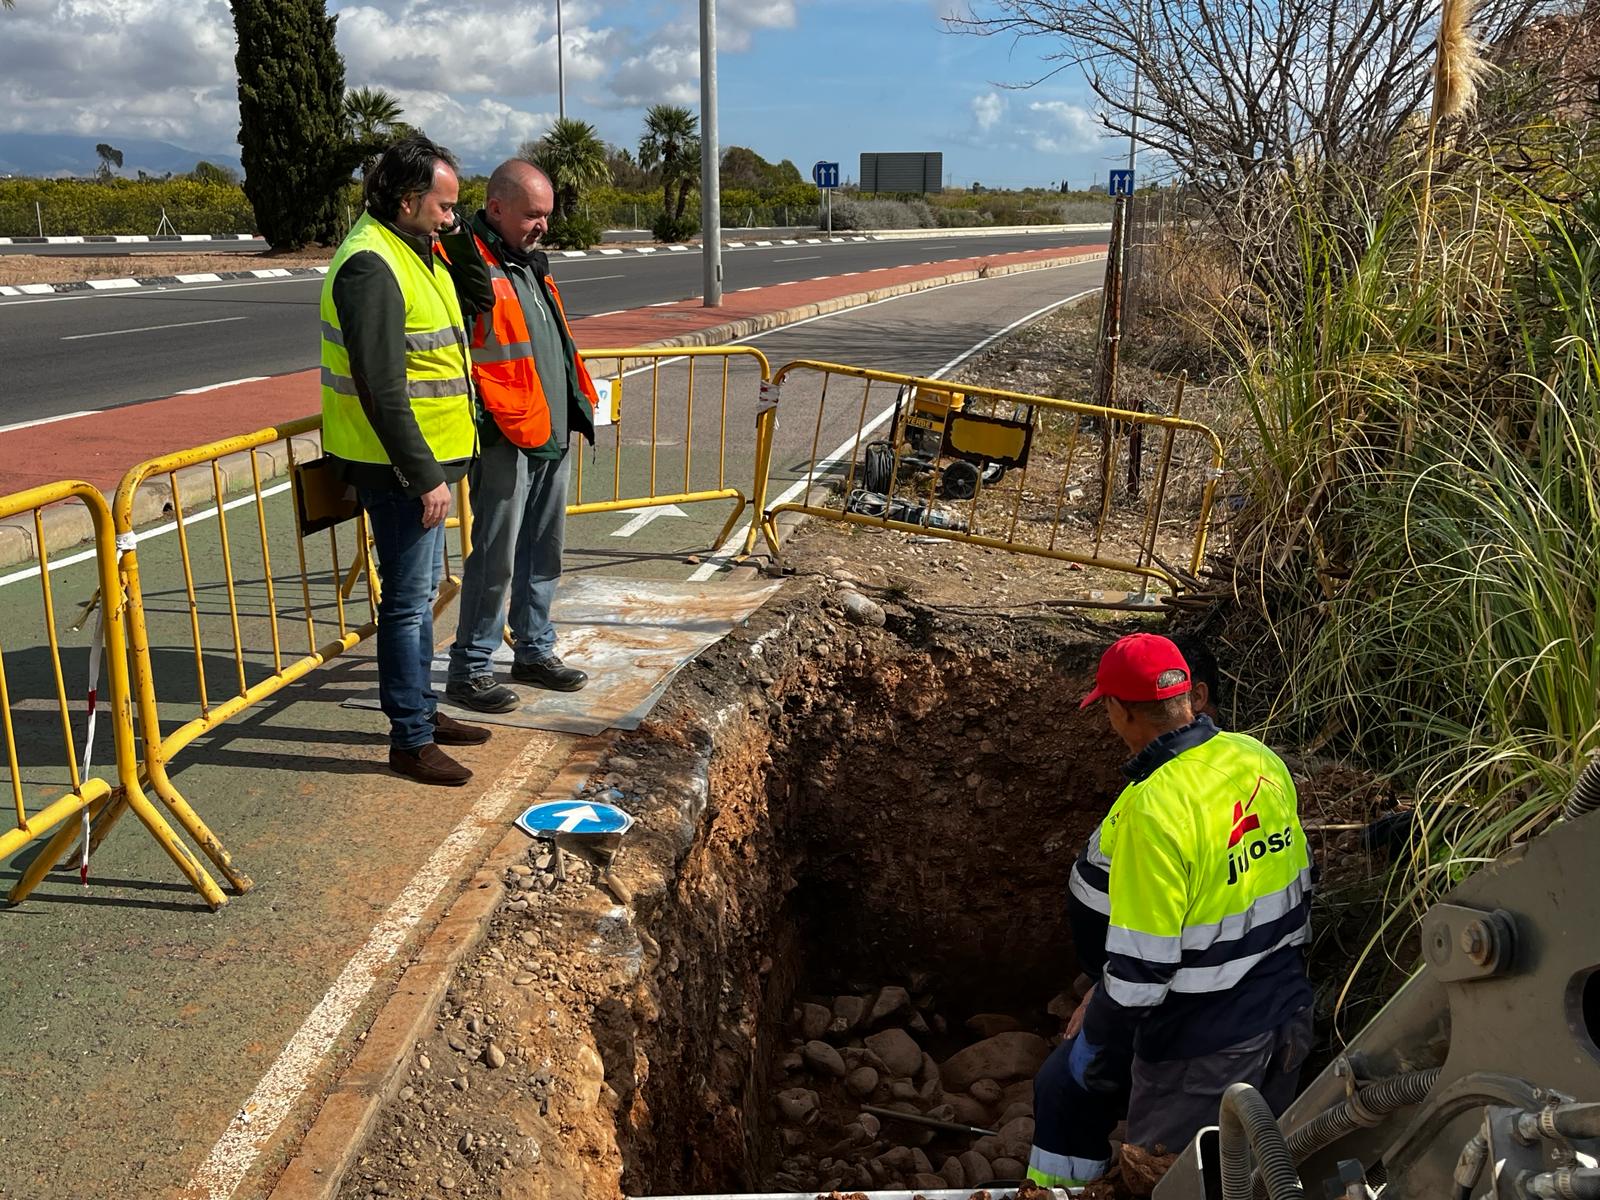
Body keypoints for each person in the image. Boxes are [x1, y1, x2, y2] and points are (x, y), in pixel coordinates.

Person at [1028, 633, 1314, 1188]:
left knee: (1175, 1183)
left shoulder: (1153, 810)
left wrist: (1099, 1045)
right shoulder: (1254, 758)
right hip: (1285, 1017)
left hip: (1203, 1051)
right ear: (1187, 697)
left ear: (1121, 711)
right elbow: (1292, 888)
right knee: (1251, 1180)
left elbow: (1142, 976)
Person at [320, 135, 492, 787]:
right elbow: (381, 386)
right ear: (405, 200)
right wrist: (422, 476)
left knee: (419, 600)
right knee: (405, 603)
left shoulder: (415, 249)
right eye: (444, 206)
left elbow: (475, 302)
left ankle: (424, 709)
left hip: (431, 460)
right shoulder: (371, 263)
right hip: (398, 469)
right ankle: (411, 739)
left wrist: (459, 234)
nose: (452, 216)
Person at [440, 159, 599, 714]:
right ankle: (471, 667)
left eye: (547, 216)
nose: (543, 226)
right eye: (533, 215)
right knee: (496, 555)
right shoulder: (468, 265)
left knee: (542, 549)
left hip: (549, 429)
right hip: (505, 434)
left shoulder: (528, 264)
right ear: (497, 208)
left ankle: (533, 649)